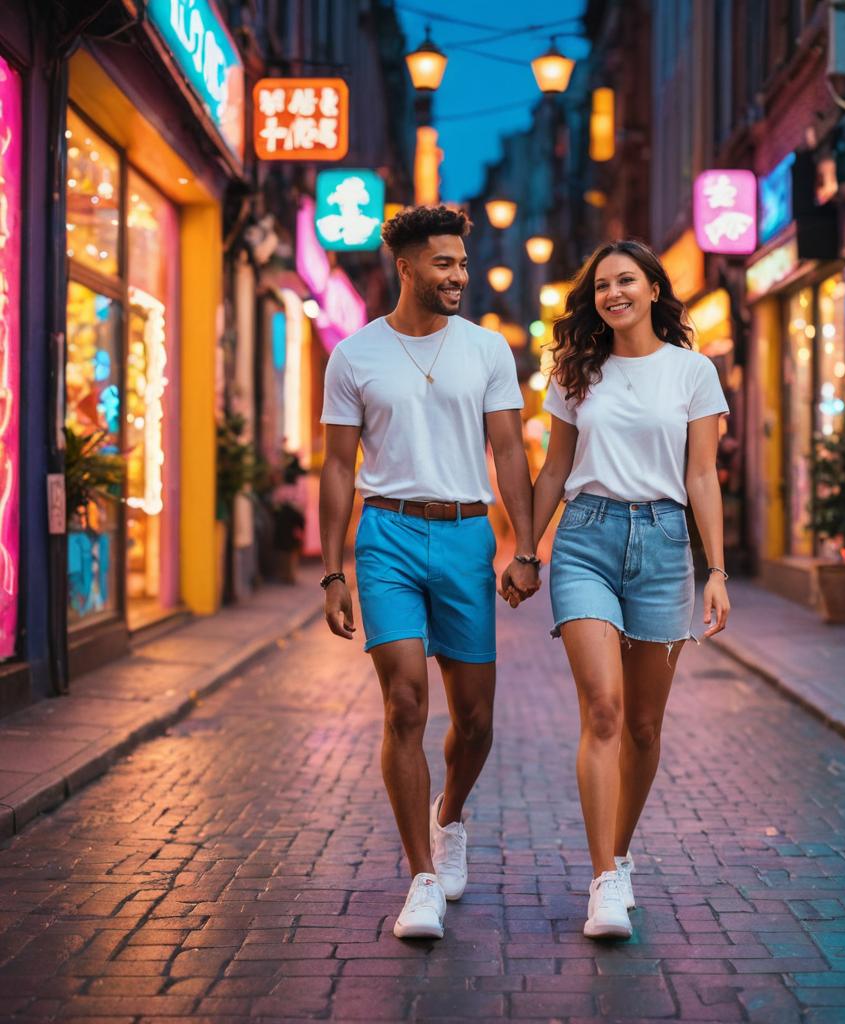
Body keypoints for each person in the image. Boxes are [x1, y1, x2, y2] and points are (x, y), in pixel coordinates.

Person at [319, 205, 541, 940]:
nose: (459, 277)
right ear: (405, 266)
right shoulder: (354, 355)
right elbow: (336, 464)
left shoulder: (487, 350)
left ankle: (450, 817)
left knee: (474, 720)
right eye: (444, 264)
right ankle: (420, 878)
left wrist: (526, 547)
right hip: (385, 535)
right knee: (405, 704)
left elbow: (510, 452)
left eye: (463, 264)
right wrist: (332, 570)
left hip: (466, 535)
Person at [526, 239, 730, 939]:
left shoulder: (693, 373)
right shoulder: (577, 372)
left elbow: (702, 475)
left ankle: (621, 851)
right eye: (602, 284)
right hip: (585, 538)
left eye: (626, 281)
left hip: (667, 546)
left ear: (651, 289)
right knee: (605, 709)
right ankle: (604, 882)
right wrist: (527, 546)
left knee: (645, 725)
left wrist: (717, 573)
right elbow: (554, 470)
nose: (614, 293)